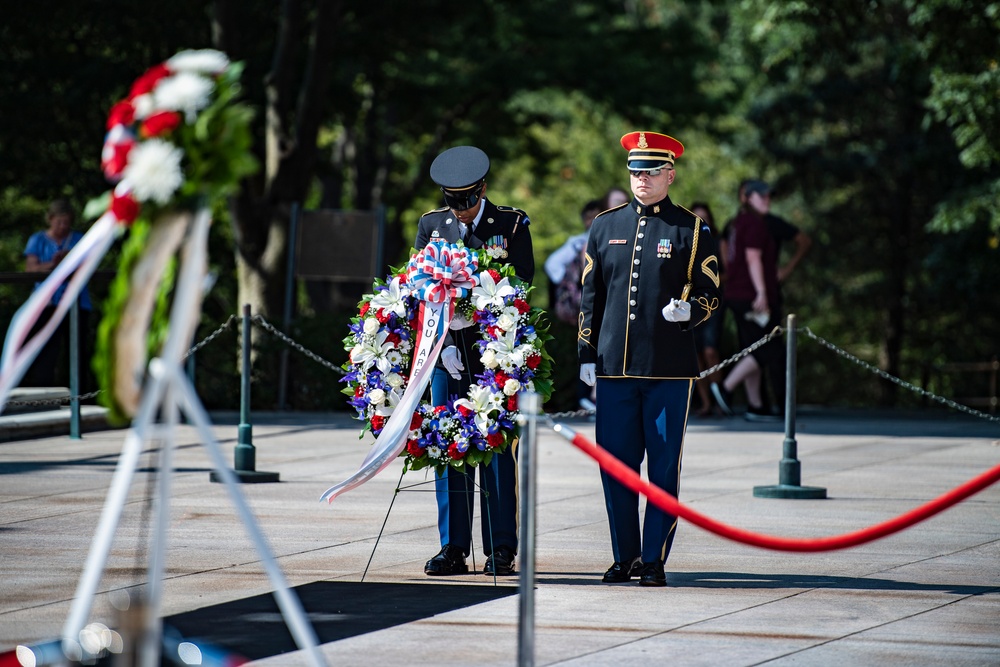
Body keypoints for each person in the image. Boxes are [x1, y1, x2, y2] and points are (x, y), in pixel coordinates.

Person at [579, 131, 721, 587]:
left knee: (661, 466)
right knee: (617, 467)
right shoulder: (604, 226)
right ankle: (624, 557)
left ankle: (653, 558)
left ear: (670, 174)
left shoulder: (691, 229)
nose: (642, 179)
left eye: (651, 171)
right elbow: (590, 296)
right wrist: (585, 354)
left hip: (667, 369)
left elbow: (710, 293)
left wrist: (690, 312)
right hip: (615, 369)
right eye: (636, 171)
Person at [414, 145, 534, 577]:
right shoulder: (431, 225)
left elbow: (521, 287)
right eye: (453, 201)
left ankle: (500, 546)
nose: (461, 211)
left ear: (482, 190)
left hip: (492, 357)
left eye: (467, 200)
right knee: (449, 445)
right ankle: (453, 546)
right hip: (448, 355)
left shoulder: (511, 224)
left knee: (497, 448)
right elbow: (420, 289)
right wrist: (444, 338)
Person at [713, 180, 811, 418]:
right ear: (747, 197)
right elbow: (753, 258)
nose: (766, 200)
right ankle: (725, 387)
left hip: (737, 293)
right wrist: (762, 293)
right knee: (768, 347)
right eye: (761, 196)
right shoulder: (754, 224)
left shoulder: (737, 222)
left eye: (768, 196)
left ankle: (755, 405)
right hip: (750, 296)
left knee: (752, 347)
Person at [22, 199, 93, 388]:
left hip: (75, 303)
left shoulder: (78, 239)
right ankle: (43, 393)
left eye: (67, 222)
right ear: (51, 219)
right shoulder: (37, 239)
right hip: (46, 305)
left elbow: (89, 265)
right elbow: (31, 268)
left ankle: (79, 396)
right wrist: (54, 265)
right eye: (59, 221)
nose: (63, 226)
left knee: (77, 351)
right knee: (45, 351)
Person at [689, 201, 724, 416]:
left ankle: (721, 398)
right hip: (690, 303)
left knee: (710, 351)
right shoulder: (684, 239)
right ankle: (705, 403)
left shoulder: (717, 243)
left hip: (712, 301)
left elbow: (727, 272)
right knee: (696, 355)